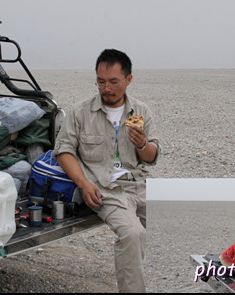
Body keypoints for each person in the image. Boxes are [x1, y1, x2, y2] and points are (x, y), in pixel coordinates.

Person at [54, 49, 159, 293]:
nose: (106, 89)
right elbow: (63, 150)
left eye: (113, 82)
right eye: (101, 82)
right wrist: (83, 184)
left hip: (138, 184)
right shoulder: (80, 112)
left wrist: (142, 144)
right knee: (132, 234)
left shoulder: (141, 112)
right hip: (104, 189)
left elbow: (152, 157)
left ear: (128, 80)